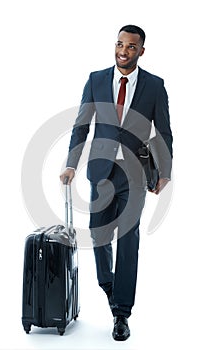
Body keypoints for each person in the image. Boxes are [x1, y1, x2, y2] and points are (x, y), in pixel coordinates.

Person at [60, 24, 173, 341]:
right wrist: (71, 164)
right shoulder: (96, 80)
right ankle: (109, 285)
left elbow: (163, 132)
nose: (124, 51)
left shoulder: (154, 86)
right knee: (98, 235)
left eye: (131, 47)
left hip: (135, 175)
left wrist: (164, 171)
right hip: (100, 171)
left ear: (141, 51)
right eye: (120, 44)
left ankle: (121, 313)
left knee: (128, 238)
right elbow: (81, 126)